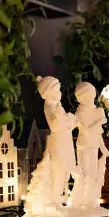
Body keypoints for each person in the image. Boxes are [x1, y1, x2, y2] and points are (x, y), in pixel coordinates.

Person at [35, 76, 78, 205]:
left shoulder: (58, 107)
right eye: (57, 90)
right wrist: (69, 120)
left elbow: (67, 122)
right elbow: (57, 125)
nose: (60, 93)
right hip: (59, 143)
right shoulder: (50, 108)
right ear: (48, 93)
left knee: (65, 171)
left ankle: (63, 199)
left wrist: (68, 121)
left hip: (65, 142)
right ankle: (55, 200)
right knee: (58, 172)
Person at [72, 82, 109, 207]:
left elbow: (97, 134)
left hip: (94, 146)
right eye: (86, 98)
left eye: (91, 97)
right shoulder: (80, 113)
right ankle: (81, 201)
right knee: (85, 174)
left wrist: (103, 147)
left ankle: (89, 201)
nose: (90, 100)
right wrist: (99, 121)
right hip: (84, 146)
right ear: (80, 99)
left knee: (93, 174)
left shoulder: (96, 111)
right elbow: (87, 131)